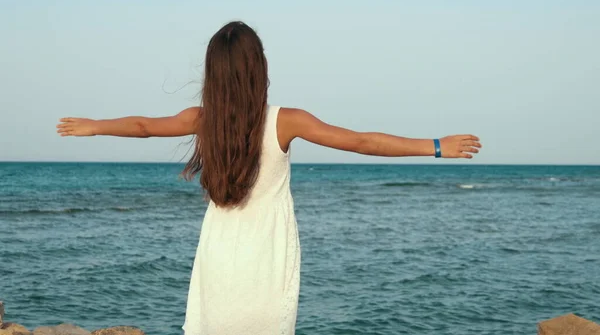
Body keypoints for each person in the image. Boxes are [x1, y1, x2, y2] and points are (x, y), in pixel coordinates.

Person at [56, 21, 481, 335]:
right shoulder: (285, 121)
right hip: (267, 251)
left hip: (220, 249)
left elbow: (144, 126)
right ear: (259, 67)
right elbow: (361, 142)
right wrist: (436, 145)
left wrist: (95, 125)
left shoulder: (203, 120)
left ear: (213, 72)